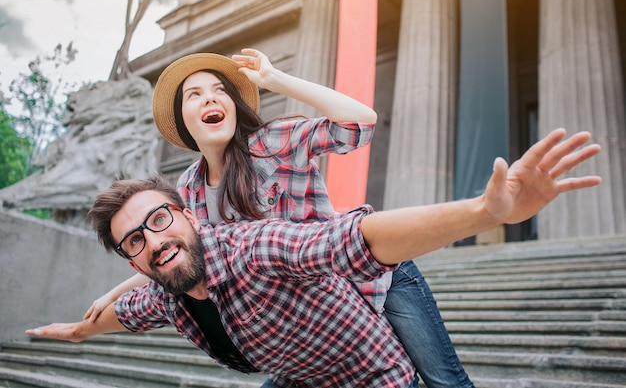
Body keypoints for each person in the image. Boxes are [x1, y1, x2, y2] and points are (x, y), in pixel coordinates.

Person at [27, 127, 600, 387]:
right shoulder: (163, 295)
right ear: (133, 262)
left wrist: (484, 212)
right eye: (135, 241)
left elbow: (357, 239)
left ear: (190, 216)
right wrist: (80, 333)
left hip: (372, 376)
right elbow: (114, 317)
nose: (153, 240)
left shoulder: (251, 246)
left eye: (159, 220)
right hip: (303, 375)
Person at [84, 49, 475, 388]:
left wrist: (275, 78)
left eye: (220, 91)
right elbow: (173, 249)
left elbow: (360, 125)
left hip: (377, 276)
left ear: (234, 107)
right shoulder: (188, 188)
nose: (210, 100)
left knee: (445, 381)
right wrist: (111, 295)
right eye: (195, 95)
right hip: (320, 315)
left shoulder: (271, 143)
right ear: (183, 118)